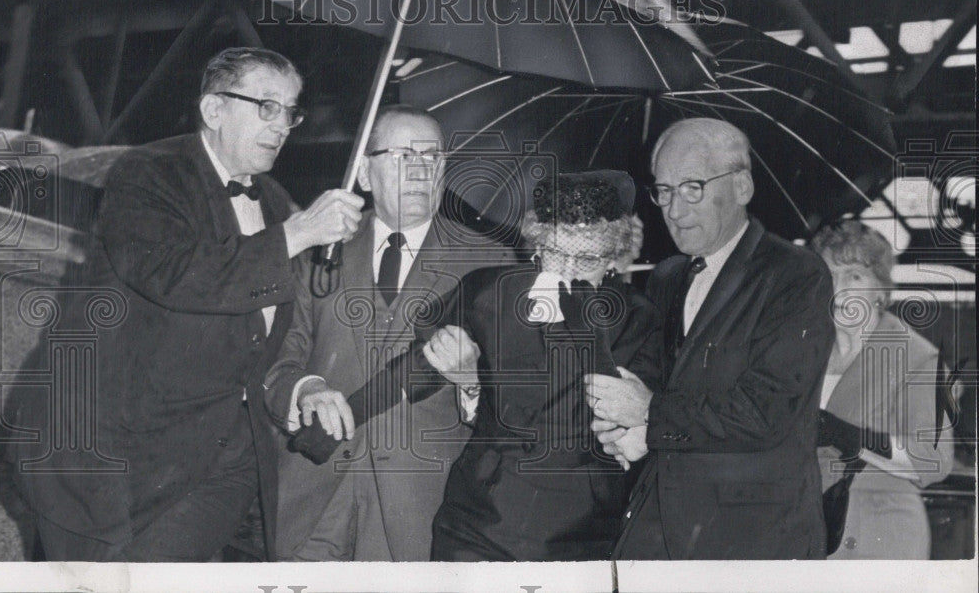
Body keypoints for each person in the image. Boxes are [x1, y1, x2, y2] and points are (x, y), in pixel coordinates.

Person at [10, 47, 364, 561]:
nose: (283, 124)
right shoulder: (149, 173)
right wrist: (298, 233)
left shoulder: (275, 202)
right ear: (214, 110)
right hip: (106, 454)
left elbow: (264, 333)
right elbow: (176, 275)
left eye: (290, 111)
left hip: (217, 460)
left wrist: (303, 387)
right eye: (266, 105)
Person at [262, 104, 516, 561]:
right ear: (364, 172)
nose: (420, 170)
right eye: (403, 156)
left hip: (422, 509)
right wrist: (307, 390)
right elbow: (278, 360)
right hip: (311, 498)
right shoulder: (318, 252)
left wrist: (471, 384)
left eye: (433, 157)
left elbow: (517, 402)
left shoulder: (491, 262)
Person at [587, 117, 835, 559]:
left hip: (751, 536)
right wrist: (632, 430)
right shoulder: (666, 277)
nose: (674, 211)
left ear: (742, 187)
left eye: (692, 187)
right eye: (663, 191)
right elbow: (662, 383)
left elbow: (765, 412)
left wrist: (649, 412)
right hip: (661, 523)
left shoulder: (795, 274)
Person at [427, 170, 652, 561]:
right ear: (537, 246)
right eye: (556, 253)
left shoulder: (639, 319)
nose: (568, 271)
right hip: (476, 525)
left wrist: (637, 428)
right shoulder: (492, 295)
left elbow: (638, 435)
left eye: (586, 259)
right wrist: (469, 381)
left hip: (576, 534)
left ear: (612, 258)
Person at [811, 220, 954, 559]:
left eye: (854, 277)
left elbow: (934, 461)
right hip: (813, 529)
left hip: (881, 532)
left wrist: (848, 436)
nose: (839, 289)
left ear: (880, 290)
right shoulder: (807, 352)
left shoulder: (915, 356)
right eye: (830, 276)